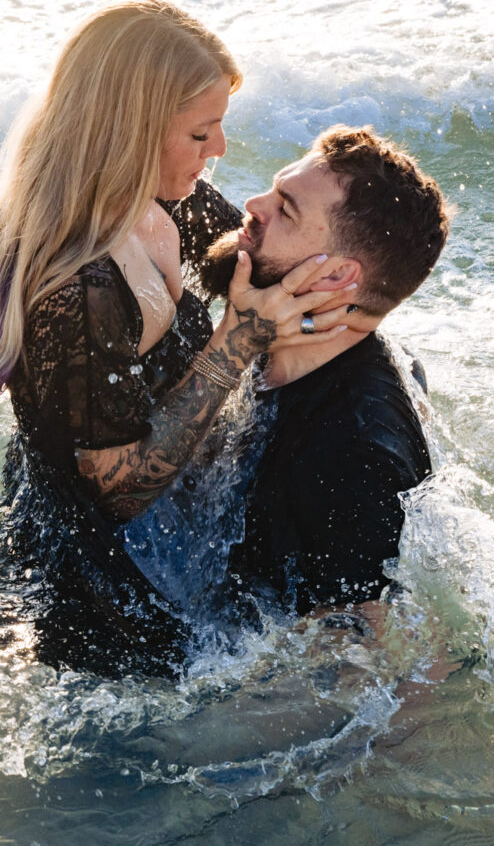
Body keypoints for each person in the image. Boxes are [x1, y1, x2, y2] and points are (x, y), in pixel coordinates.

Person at [0, 0, 352, 676]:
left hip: (150, 509)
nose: (220, 153)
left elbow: (252, 261)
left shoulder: (164, 192)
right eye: (202, 134)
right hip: (108, 579)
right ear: (133, 133)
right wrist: (237, 339)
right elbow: (118, 487)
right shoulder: (79, 289)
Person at [197, 124, 452, 627]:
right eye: (275, 187)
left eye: (285, 209)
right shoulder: (286, 345)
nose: (252, 203)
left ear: (336, 277)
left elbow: (371, 656)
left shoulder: (350, 456)